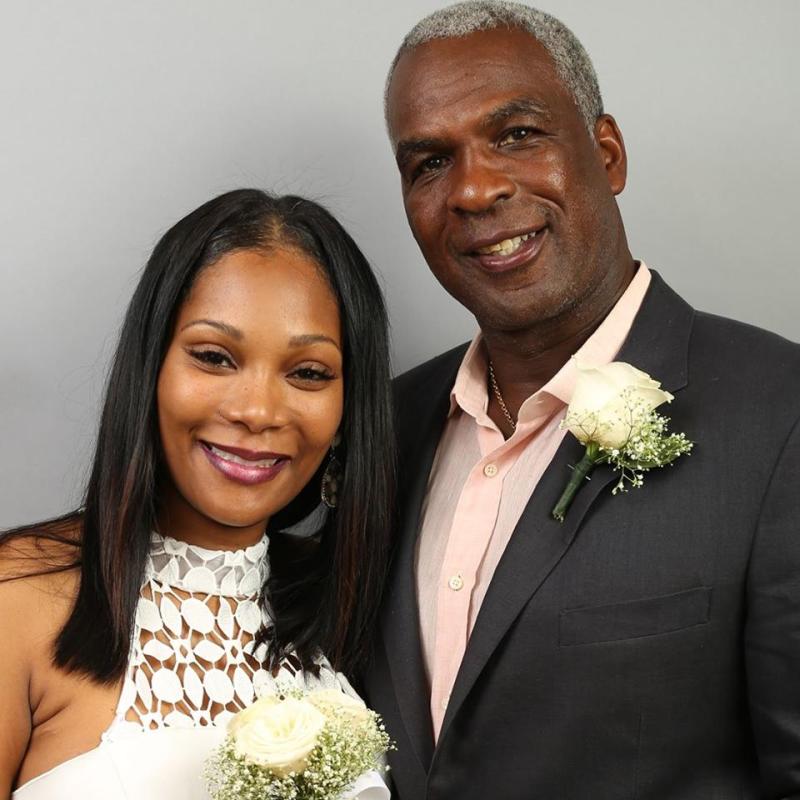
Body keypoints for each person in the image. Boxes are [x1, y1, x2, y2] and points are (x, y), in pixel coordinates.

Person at [362, 2, 800, 797]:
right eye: (429, 162)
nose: (474, 189)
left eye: (518, 136)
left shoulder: (780, 417)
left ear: (607, 154)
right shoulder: (377, 431)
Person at [0, 189, 393, 799]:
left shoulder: (350, 615)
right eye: (214, 357)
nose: (258, 410)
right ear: (151, 368)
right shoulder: (19, 598)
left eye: (309, 373)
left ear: (348, 407)